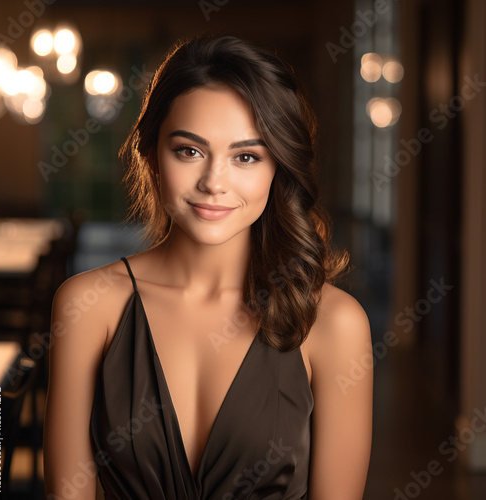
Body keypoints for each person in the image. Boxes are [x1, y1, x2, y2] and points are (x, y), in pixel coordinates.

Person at [43, 33, 373, 500]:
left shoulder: (335, 324)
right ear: (152, 156)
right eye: (189, 151)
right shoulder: (88, 306)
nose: (214, 182)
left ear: (278, 167)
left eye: (246, 156)